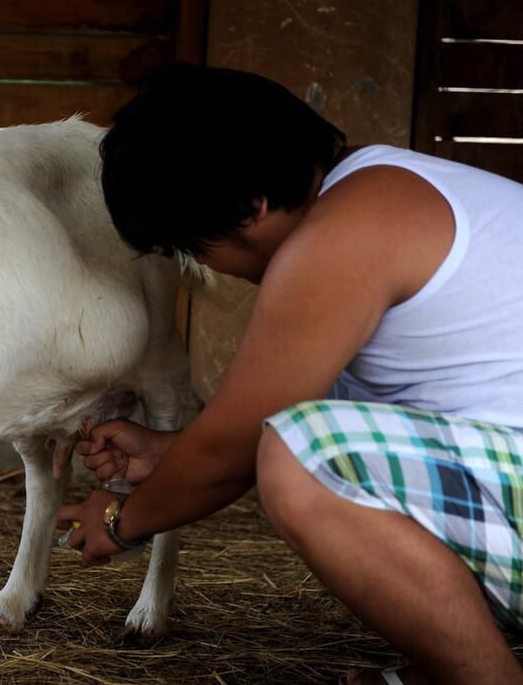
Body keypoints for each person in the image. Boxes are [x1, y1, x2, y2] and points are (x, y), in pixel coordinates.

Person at [55, 64, 523, 685]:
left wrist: (122, 522)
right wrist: (173, 454)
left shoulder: (345, 234)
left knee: (301, 456)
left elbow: (239, 446)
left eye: (195, 246)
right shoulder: (383, 187)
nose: (203, 264)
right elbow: (248, 436)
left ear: (254, 206)